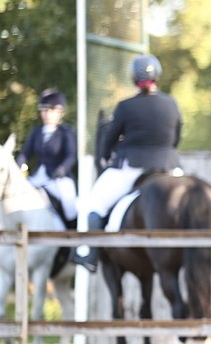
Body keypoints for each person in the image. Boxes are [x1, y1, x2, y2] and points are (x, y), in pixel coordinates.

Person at [72, 54, 182, 272]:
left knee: (93, 205)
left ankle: (90, 254)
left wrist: (105, 155)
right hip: (170, 168)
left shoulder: (126, 106)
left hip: (133, 167)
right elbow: (176, 139)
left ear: (134, 78)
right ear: (157, 76)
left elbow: (109, 139)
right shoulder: (171, 104)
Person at [17, 89, 78, 222]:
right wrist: (19, 164)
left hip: (59, 178)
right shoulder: (36, 132)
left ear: (59, 112)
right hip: (38, 176)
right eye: (43, 110)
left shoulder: (66, 132)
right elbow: (25, 153)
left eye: (50, 110)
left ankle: (72, 230)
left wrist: (62, 169)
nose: (46, 114)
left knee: (70, 208)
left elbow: (71, 155)